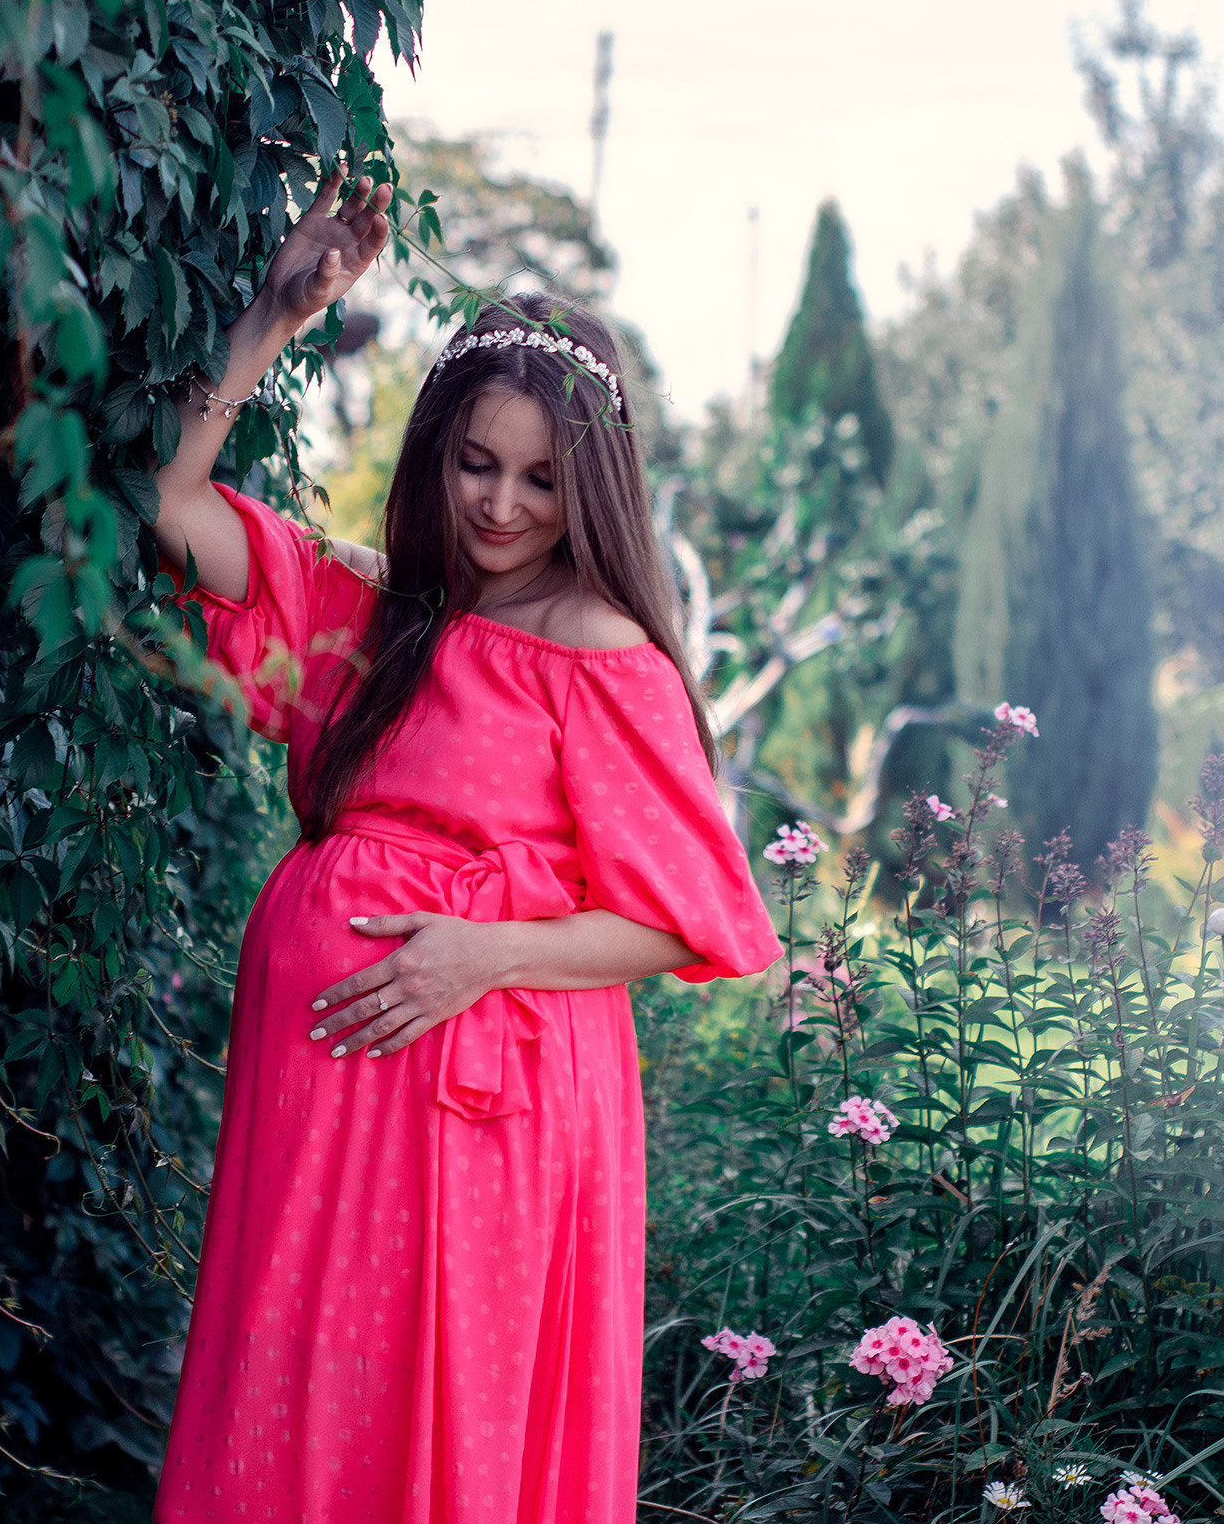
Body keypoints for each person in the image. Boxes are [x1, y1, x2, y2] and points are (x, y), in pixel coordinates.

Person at [148, 169, 779, 1523]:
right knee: (299, 1396)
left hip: (481, 1100)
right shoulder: (380, 620)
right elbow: (172, 509)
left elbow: (691, 920)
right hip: (324, 1088)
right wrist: (270, 319)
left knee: (448, 1410)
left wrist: (480, 957)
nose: (502, 506)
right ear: (436, 451)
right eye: (477, 463)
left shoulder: (602, 656)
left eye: (543, 480)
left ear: (593, 484)